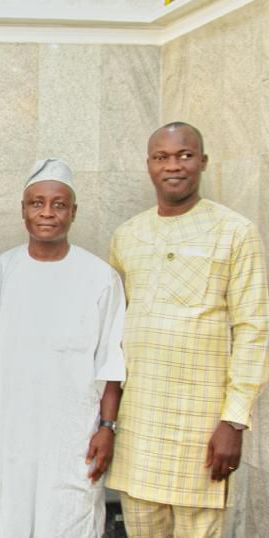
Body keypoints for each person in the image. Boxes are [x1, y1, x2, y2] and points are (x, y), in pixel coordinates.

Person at [106, 122, 269, 537]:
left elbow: (254, 329)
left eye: (185, 155)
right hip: (139, 427)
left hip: (202, 430)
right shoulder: (127, 235)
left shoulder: (236, 232)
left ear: (203, 162)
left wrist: (233, 421)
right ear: (149, 166)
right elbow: (111, 334)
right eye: (162, 157)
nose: (173, 166)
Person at [0, 158, 126, 538]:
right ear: (23, 210)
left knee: (69, 519)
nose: (47, 213)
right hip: (7, 430)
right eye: (37, 203)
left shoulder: (101, 278)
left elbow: (111, 363)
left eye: (58, 204)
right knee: (4, 517)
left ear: (74, 212)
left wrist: (107, 428)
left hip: (72, 436)